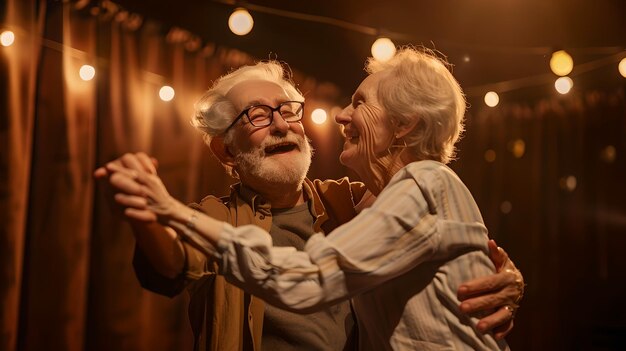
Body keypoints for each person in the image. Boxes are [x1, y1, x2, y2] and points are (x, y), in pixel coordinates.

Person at [96, 56, 523, 350]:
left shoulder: (354, 202)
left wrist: (508, 277)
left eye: (288, 109)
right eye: (258, 116)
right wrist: (146, 211)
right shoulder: (215, 216)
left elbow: (458, 253)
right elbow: (171, 259)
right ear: (225, 152)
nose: (282, 124)